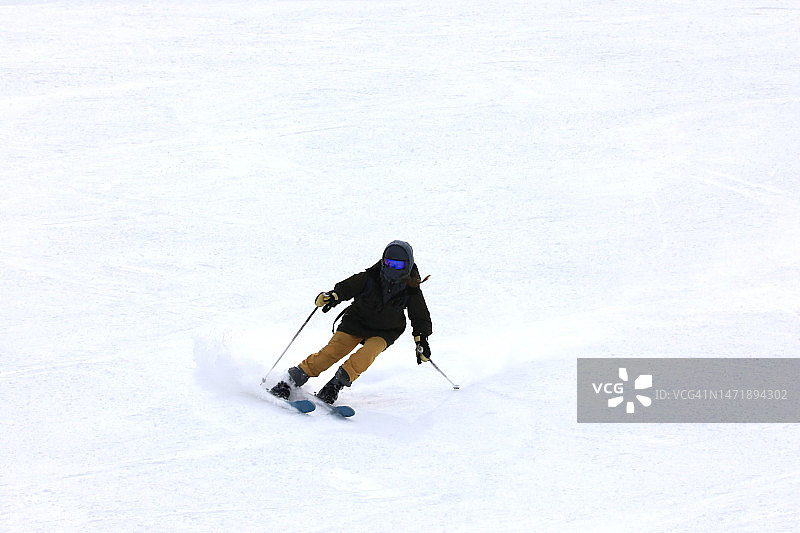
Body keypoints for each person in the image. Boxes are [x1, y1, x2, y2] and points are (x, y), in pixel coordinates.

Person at [270, 240, 432, 404]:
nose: (391, 268)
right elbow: (348, 287)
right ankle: (290, 381)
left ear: (408, 265)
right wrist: (333, 296)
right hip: (356, 322)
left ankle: (334, 385)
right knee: (332, 351)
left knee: (366, 355)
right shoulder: (370, 277)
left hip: (386, 330)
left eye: (398, 265)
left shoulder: (412, 290)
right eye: (388, 263)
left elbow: (420, 316)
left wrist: (421, 339)